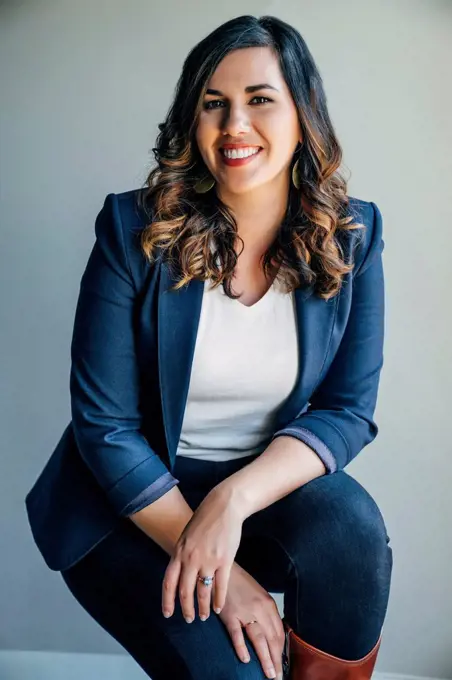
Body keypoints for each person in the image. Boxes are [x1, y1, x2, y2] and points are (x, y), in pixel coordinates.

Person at [25, 14, 393, 680]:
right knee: (240, 673)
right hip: (129, 507)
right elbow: (104, 428)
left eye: (259, 100)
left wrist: (231, 503)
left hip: (253, 496)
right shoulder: (133, 229)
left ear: (302, 116)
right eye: (213, 105)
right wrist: (225, 579)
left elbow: (347, 408)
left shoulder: (352, 236)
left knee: (354, 531)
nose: (235, 126)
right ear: (189, 123)